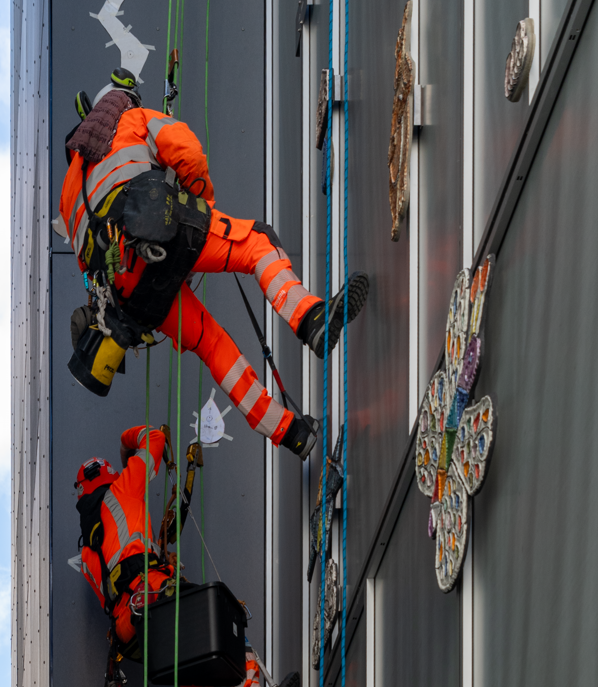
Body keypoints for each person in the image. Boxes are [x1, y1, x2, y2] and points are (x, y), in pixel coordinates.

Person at [58, 68, 369, 460]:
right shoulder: (130, 118)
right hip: (162, 228)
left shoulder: (69, 195)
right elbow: (185, 150)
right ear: (121, 101)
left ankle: (290, 432)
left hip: (128, 294)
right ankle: (311, 319)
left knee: (212, 345)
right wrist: (200, 204)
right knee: (257, 243)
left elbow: (90, 265)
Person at [74, 424, 264, 687]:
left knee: (187, 664)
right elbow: (154, 437)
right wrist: (124, 444)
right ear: (110, 477)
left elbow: (121, 571)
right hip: (151, 596)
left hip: (128, 631)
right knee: (221, 622)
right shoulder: (122, 489)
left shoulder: (86, 553)